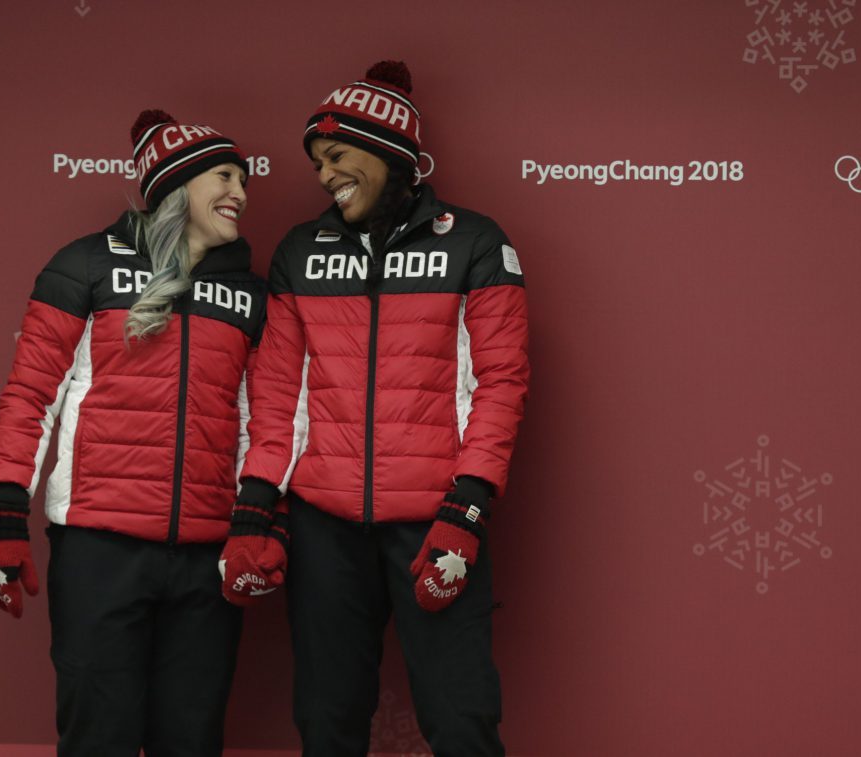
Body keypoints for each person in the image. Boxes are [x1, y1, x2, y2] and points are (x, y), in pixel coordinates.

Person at [221, 61, 530, 756]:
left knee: (462, 720)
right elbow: (277, 396)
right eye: (317, 164)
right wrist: (254, 508)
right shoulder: (301, 251)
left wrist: (468, 507)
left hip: (436, 518)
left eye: (336, 156)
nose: (324, 175)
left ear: (387, 152)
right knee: (326, 723)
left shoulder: (476, 242)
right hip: (324, 529)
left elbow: (500, 384)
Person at [0, 109, 283, 756]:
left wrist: (258, 522)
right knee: (99, 738)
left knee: (191, 741)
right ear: (179, 185)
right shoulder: (85, 264)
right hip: (99, 550)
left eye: (244, 180)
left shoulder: (253, 296)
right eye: (225, 177)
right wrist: (4, 515)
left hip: (206, 559)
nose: (241, 193)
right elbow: (32, 396)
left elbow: (265, 423)